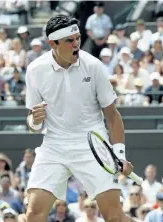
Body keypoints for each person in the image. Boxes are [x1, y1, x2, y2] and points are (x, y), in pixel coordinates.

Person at [25, 14, 134, 222]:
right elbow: (33, 124)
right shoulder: (35, 70)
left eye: (78, 39)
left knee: (114, 217)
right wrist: (34, 120)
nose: (76, 45)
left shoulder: (93, 66)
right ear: (52, 43)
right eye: (69, 41)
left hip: (92, 143)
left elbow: (112, 116)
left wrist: (119, 154)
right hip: (54, 145)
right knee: (33, 214)